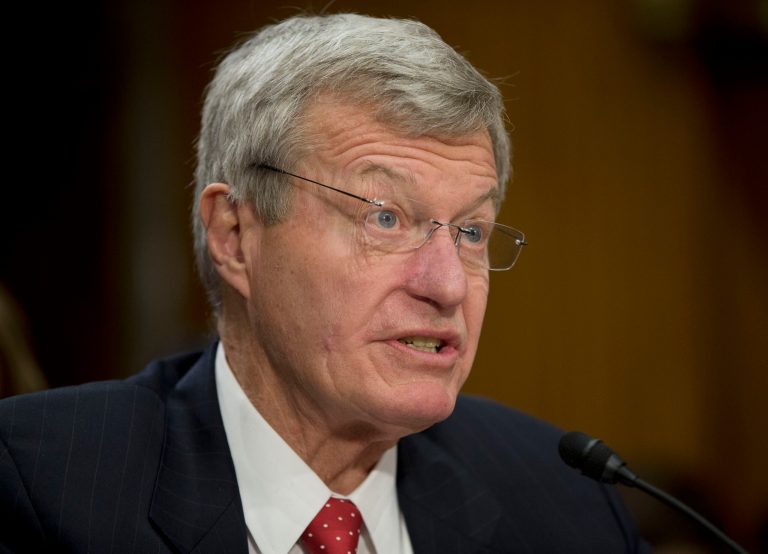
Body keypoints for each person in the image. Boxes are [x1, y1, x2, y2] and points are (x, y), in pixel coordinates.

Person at [0, 13, 649, 553]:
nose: (448, 286)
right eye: (386, 218)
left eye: (471, 232)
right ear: (234, 234)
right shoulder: (38, 482)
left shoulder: (568, 506)